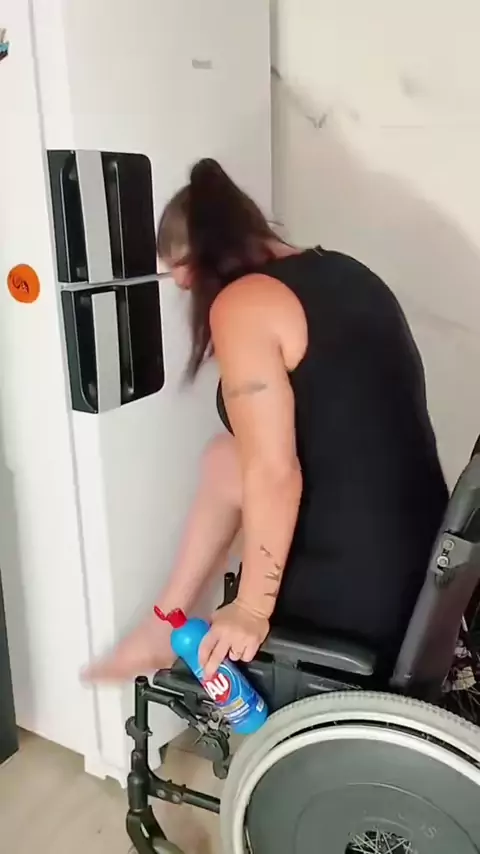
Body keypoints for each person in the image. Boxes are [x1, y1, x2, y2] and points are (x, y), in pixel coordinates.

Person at [85, 158, 448, 683]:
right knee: (224, 458)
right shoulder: (344, 270)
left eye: (186, 284)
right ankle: (163, 625)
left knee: (253, 469)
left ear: (200, 264)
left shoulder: (245, 304)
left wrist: (252, 608)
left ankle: (168, 632)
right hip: (425, 562)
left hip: (360, 595)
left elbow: (276, 473)